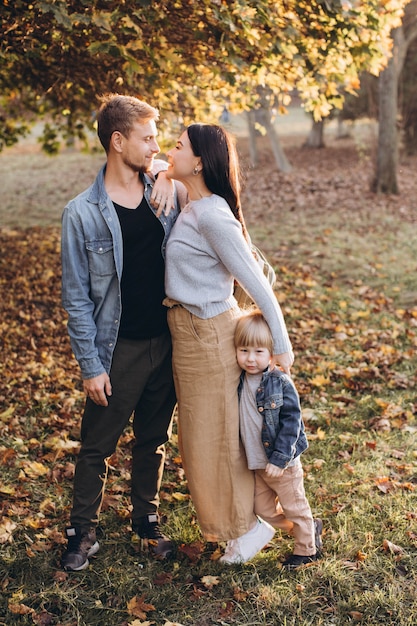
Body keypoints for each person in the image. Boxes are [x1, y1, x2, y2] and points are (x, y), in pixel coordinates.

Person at [60, 93, 185, 571]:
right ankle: (81, 532)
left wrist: (170, 178)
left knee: (153, 440)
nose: (157, 146)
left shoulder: (162, 193)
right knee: (97, 446)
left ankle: (145, 522)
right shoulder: (82, 213)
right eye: (148, 137)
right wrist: (91, 366)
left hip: (167, 340)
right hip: (118, 351)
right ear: (118, 141)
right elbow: (76, 298)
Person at [163, 123, 294, 564]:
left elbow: (257, 283)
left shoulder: (213, 215)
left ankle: (247, 530)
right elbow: (156, 169)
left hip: (207, 334)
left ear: (199, 161)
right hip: (189, 332)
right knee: (203, 439)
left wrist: (281, 344)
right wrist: (166, 175)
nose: (170, 149)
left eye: (179, 146)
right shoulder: (191, 201)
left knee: (215, 440)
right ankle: (241, 524)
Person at [234, 309, 323, 569]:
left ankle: (307, 549)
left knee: (294, 506)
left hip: (283, 464)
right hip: (258, 464)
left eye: (258, 352)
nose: (250, 359)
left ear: (272, 353)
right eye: (244, 350)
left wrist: (280, 458)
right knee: (263, 510)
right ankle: (307, 527)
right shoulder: (239, 379)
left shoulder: (279, 382)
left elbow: (292, 422)